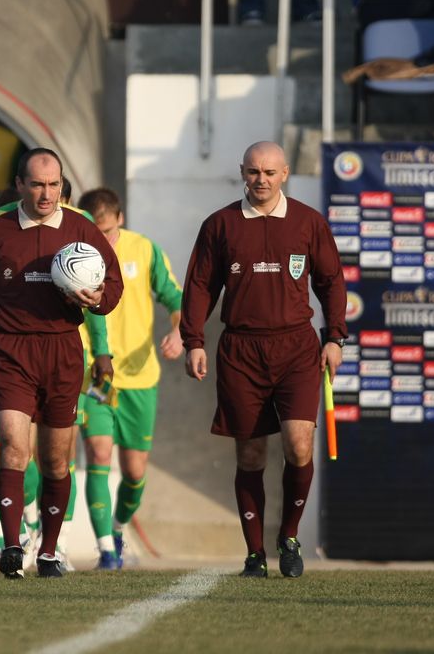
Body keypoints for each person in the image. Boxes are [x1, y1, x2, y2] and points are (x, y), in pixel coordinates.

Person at [0, 148, 123, 579]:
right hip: (11, 350)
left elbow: (113, 284)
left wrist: (98, 298)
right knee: (13, 445)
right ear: (19, 185)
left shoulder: (81, 228)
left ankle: (48, 551)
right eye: (37, 185)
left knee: (56, 460)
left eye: (53, 185)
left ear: (62, 185)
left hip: (63, 352)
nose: (46, 194)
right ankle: (11, 546)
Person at [180, 141, 345, 579]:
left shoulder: (308, 222)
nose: (261, 180)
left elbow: (331, 281)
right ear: (242, 172)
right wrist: (193, 340)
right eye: (254, 172)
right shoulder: (220, 224)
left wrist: (335, 338)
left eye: (270, 172)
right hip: (241, 350)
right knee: (251, 454)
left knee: (299, 444)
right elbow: (199, 286)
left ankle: (288, 537)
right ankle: (254, 554)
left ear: (284, 174)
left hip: (296, 348)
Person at [77, 187, 184, 571]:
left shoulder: (145, 250)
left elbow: (175, 298)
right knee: (98, 454)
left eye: (107, 232)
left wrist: (179, 332)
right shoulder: (74, 256)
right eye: (95, 233)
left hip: (140, 376)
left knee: (135, 472)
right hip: (94, 376)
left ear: (120, 220)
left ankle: (118, 528)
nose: (102, 241)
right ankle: (106, 550)